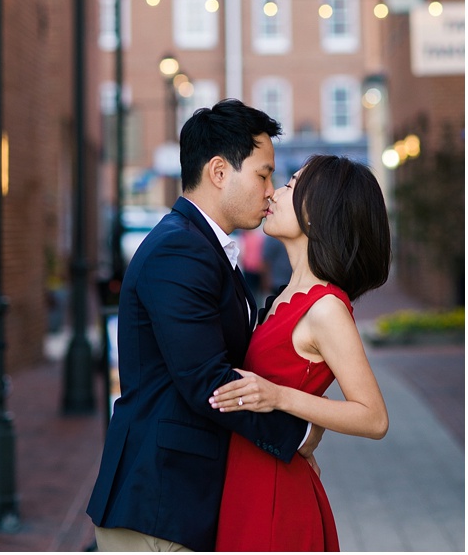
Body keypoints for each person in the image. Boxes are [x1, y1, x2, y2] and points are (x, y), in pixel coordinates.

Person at [87, 99, 320, 552]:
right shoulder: (181, 250)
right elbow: (208, 382)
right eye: (263, 174)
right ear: (218, 171)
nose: (270, 190)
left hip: (179, 501)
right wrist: (300, 435)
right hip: (159, 503)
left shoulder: (202, 247)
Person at [210, 155, 391, 550]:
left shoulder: (326, 307)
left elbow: (374, 417)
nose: (273, 191)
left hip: (276, 497)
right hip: (249, 479)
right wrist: (306, 427)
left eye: (290, 185)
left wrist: (281, 398)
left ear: (316, 212)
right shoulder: (283, 298)